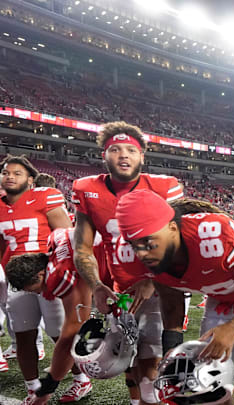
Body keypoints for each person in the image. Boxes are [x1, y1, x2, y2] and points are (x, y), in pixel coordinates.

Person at [115, 192, 234, 405]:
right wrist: (172, 348)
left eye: (148, 242)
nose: (141, 253)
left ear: (173, 228)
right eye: (134, 244)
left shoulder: (214, 237)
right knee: (210, 387)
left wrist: (233, 327)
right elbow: (171, 297)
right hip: (220, 303)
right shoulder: (133, 255)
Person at [71, 121, 184, 405]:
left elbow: (181, 246)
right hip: (121, 289)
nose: (124, 155)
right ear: (104, 156)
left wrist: (153, 280)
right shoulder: (87, 189)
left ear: (142, 157)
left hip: (163, 288)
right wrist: (96, 285)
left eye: (131, 150)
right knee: (125, 354)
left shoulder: (164, 187)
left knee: (154, 360)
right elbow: (83, 247)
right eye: (116, 149)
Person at [0, 155, 73, 402]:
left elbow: (66, 237)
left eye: (17, 173)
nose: (9, 176)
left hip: (47, 275)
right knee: (22, 334)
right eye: (6, 172)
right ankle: (33, 385)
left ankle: (82, 380)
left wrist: (58, 272)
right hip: (18, 278)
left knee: (59, 333)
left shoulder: (45, 197)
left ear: (31, 180)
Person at [5, 228, 93, 404]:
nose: (39, 293)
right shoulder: (55, 239)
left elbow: (70, 335)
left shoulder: (60, 277)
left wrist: (46, 390)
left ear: (40, 274)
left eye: (35, 289)